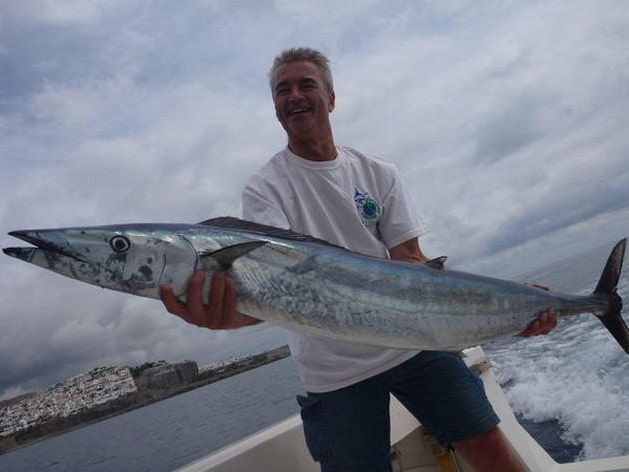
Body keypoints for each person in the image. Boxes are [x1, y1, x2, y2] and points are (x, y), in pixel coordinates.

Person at [160, 47, 558, 472]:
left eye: (305, 85)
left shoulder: (377, 172)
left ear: (331, 98)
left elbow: (411, 262)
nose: (293, 96)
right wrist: (226, 316)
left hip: (413, 344)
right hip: (334, 372)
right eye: (282, 90)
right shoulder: (265, 190)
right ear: (276, 108)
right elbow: (269, 291)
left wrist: (513, 307)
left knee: (488, 446)